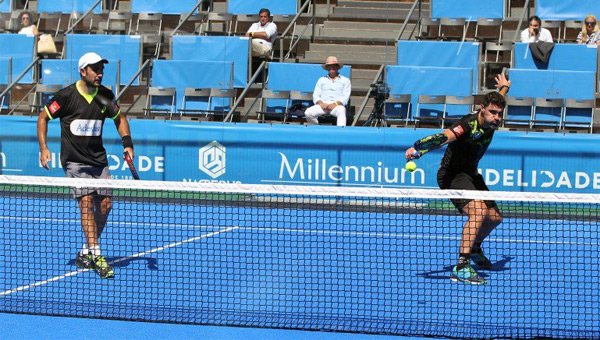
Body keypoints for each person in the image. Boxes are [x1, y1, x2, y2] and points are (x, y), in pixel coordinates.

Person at [405, 74, 511, 285]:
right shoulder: (466, 125)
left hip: (471, 173)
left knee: (495, 218)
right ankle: (461, 267)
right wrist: (418, 148)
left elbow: (497, 99)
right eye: (492, 113)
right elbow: (444, 137)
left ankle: (474, 248)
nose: (496, 118)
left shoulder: (493, 115)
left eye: (499, 114)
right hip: (452, 175)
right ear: (482, 109)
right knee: (479, 211)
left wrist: (504, 88)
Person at [37, 52, 134, 279]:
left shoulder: (105, 96)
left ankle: (85, 251)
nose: (99, 73)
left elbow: (120, 119)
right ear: (83, 71)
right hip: (74, 161)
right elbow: (42, 118)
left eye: (101, 69)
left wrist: (127, 144)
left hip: (98, 161)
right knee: (86, 202)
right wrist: (44, 148)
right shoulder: (65, 97)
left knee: (106, 205)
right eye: (94, 69)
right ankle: (97, 255)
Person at [304, 56, 352, 127]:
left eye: (333, 66)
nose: (331, 68)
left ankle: (340, 133)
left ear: (337, 67)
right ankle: (316, 128)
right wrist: (321, 103)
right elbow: (316, 95)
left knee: (341, 111)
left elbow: (346, 96)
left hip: (337, 105)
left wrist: (335, 104)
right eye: (329, 66)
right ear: (326, 68)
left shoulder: (346, 80)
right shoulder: (321, 80)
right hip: (323, 105)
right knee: (308, 113)